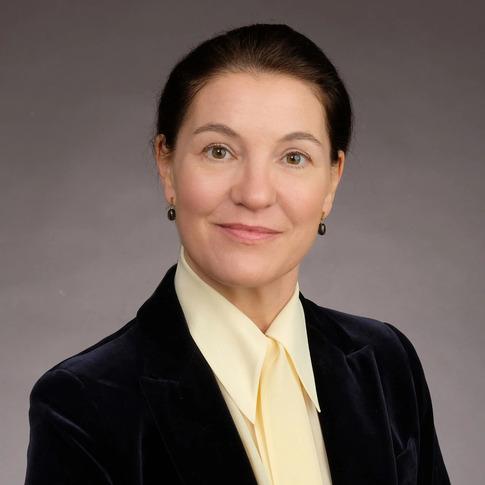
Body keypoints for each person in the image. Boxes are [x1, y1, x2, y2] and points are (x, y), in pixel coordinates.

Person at [24, 23, 450, 485]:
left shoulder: (387, 364)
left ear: (332, 180)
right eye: (219, 151)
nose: (255, 194)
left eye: (293, 157)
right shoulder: (84, 403)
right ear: (166, 165)